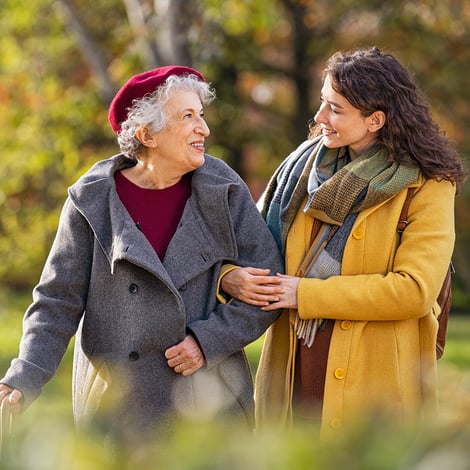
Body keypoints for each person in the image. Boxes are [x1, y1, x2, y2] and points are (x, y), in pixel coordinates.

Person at [0, 66, 283, 444]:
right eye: (187, 116)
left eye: (201, 115)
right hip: (119, 408)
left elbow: (268, 287)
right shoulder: (92, 200)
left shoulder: (224, 189)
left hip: (209, 404)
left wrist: (207, 341)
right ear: (146, 134)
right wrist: (25, 375)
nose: (204, 129)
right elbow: (57, 300)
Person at [220, 47, 467, 438]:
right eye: (322, 102)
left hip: (376, 385)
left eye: (335, 109)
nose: (319, 118)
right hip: (293, 372)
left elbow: (414, 290)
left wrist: (306, 294)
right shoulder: (299, 173)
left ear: (375, 120)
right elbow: (244, 247)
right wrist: (230, 277)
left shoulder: (429, 186)